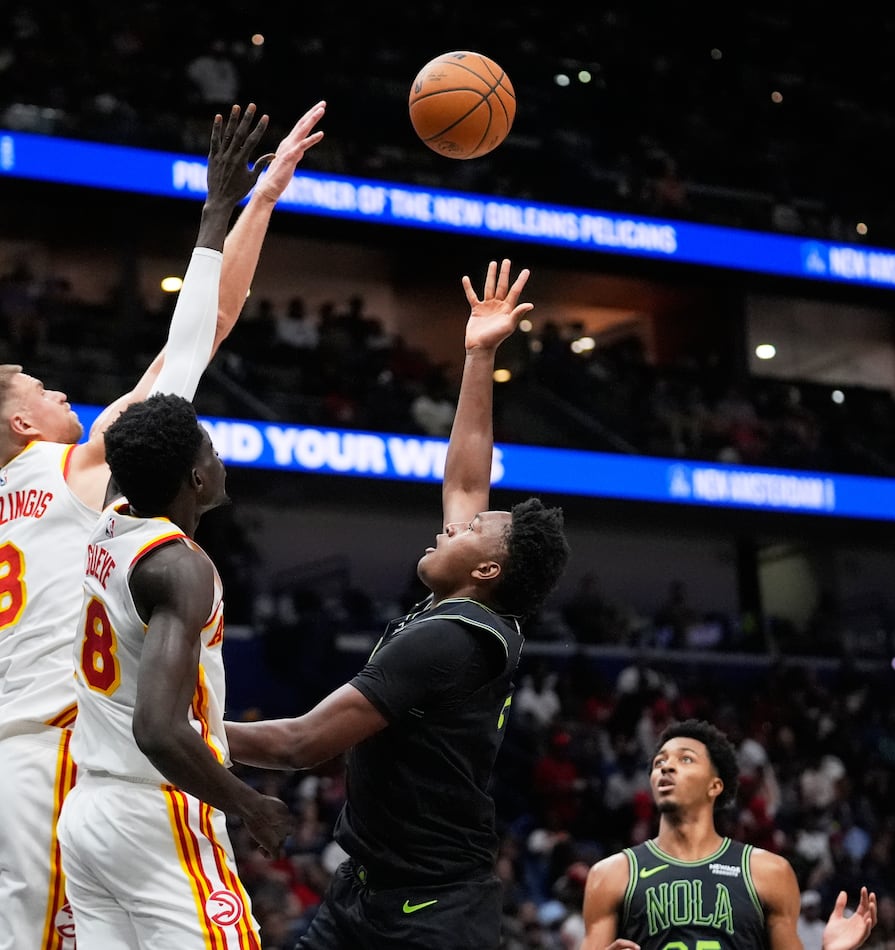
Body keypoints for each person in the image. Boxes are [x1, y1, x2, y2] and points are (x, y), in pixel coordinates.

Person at [0, 99, 327, 950]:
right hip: (65, 764)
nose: (60, 392)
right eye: (41, 389)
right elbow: (200, 333)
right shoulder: (76, 471)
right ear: (21, 424)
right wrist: (245, 204)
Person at [225, 259, 572, 950]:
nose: (450, 527)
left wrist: (180, 731)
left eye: (468, 532)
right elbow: (467, 480)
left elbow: (300, 743)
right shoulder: (474, 605)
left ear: (487, 568)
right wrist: (479, 356)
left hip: (430, 914)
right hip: (367, 890)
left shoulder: (450, 640)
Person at [57, 392, 291, 946]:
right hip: (154, 809)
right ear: (197, 479)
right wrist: (249, 805)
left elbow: (129, 443)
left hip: (88, 810)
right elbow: (158, 729)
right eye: (211, 451)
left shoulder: (111, 518)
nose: (220, 459)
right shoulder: (179, 568)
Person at [580, 718, 878, 950]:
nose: (666, 767)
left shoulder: (768, 872)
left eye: (685, 759)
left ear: (715, 785)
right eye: (659, 762)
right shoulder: (611, 874)